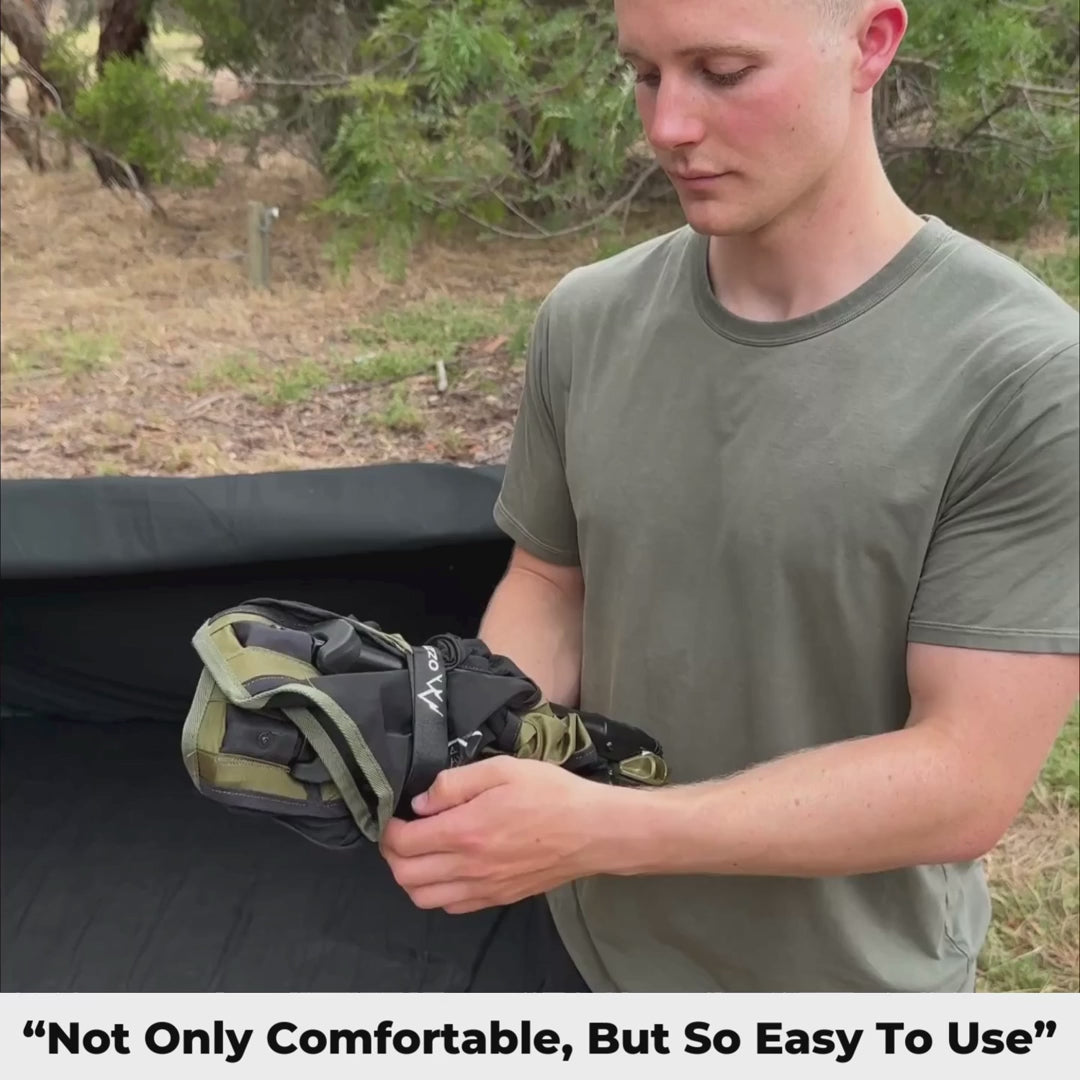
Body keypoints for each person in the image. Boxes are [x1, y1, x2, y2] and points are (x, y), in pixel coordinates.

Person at [379, 0, 1080, 992]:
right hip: (584, 951)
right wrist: (465, 739)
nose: (667, 126)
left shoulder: (1025, 375)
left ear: (871, 43)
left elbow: (965, 777)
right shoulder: (587, 320)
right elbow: (551, 583)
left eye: (723, 72)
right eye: (644, 74)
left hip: (846, 994)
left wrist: (606, 830)